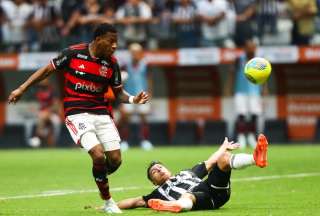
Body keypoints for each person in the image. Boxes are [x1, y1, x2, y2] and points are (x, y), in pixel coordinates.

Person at [8, 23, 149, 213]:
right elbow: (46, 70)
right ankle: (107, 200)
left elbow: (118, 93)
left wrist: (133, 99)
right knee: (98, 154)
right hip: (76, 113)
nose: (115, 46)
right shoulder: (73, 53)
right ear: (98, 39)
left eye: (116, 42)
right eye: (111, 41)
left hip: (101, 113)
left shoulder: (112, 64)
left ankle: (99, 176)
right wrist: (22, 88)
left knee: (115, 160)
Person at [116, 134, 268, 212]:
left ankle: (256, 158)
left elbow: (210, 162)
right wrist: (111, 206)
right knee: (188, 195)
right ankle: (177, 206)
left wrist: (223, 148)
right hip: (201, 199)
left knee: (222, 159)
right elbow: (135, 202)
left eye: (160, 167)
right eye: (154, 172)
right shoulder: (156, 194)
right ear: (154, 182)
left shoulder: (187, 173)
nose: (158, 169)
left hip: (213, 189)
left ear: (168, 169)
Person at [225, 39, 267, 148]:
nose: (251, 49)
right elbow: (231, 73)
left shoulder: (259, 61)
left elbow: (263, 76)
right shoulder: (239, 59)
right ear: (245, 48)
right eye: (249, 47)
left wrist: (264, 88)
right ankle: (241, 136)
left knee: (254, 114)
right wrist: (229, 87)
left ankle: (251, 136)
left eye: (253, 47)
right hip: (240, 91)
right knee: (241, 114)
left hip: (255, 91)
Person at [117, 43, 153, 151]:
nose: (134, 54)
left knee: (144, 118)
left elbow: (149, 80)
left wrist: (150, 93)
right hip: (129, 97)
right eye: (132, 52)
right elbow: (120, 82)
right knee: (125, 119)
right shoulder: (124, 65)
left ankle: (145, 141)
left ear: (141, 53)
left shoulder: (146, 65)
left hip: (142, 95)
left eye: (137, 52)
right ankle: (124, 142)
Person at [29, 78, 61, 148]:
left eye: (44, 83)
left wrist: (48, 111)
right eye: (41, 84)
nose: (42, 85)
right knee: (40, 118)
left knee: (55, 123)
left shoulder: (52, 91)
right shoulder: (38, 92)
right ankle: (40, 136)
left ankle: (39, 137)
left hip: (53, 114)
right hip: (42, 114)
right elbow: (36, 106)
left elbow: (56, 106)